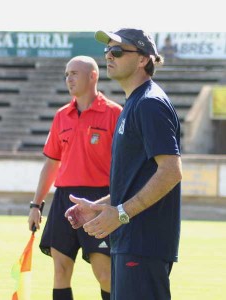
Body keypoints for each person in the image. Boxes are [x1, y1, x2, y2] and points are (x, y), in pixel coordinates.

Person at [65, 29, 182, 300]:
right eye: (107, 51)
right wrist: (101, 207)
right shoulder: (134, 103)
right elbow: (136, 180)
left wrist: (120, 213)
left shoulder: (150, 104)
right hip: (129, 241)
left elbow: (171, 171)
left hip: (143, 243)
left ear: (143, 59)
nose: (109, 56)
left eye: (117, 51)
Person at [28, 55, 122, 300]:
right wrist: (36, 205)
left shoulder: (115, 113)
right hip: (63, 198)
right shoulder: (61, 115)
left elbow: (126, 164)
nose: (68, 78)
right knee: (60, 270)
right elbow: (51, 163)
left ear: (93, 76)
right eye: (66, 74)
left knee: (105, 273)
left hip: (99, 200)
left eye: (74, 73)